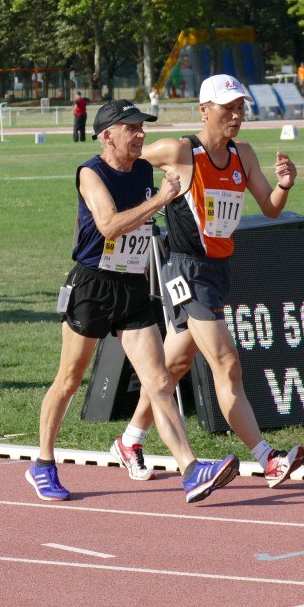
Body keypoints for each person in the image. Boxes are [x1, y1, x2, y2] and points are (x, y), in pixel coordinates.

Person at [28, 99, 239, 503]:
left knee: (159, 381)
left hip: (132, 287)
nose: (141, 134)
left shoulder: (145, 169)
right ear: (108, 134)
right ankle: (43, 463)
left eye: (143, 127)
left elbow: (191, 169)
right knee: (70, 380)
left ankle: (192, 470)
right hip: (92, 286)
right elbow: (108, 225)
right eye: (132, 128)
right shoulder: (91, 173)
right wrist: (160, 201)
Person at [112, 75, 304, 490]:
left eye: (241, 108)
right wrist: (123, 207)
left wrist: (285, 186)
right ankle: (267, 458)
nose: (236, 116)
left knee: (174, 366)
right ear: (204, 110)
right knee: (226, 363)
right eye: (227, 108)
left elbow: (270, 209)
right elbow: (124, 158)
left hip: (218, 271)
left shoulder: (244, 154)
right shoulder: (180, 150)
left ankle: (129, 440)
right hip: (184, 269)